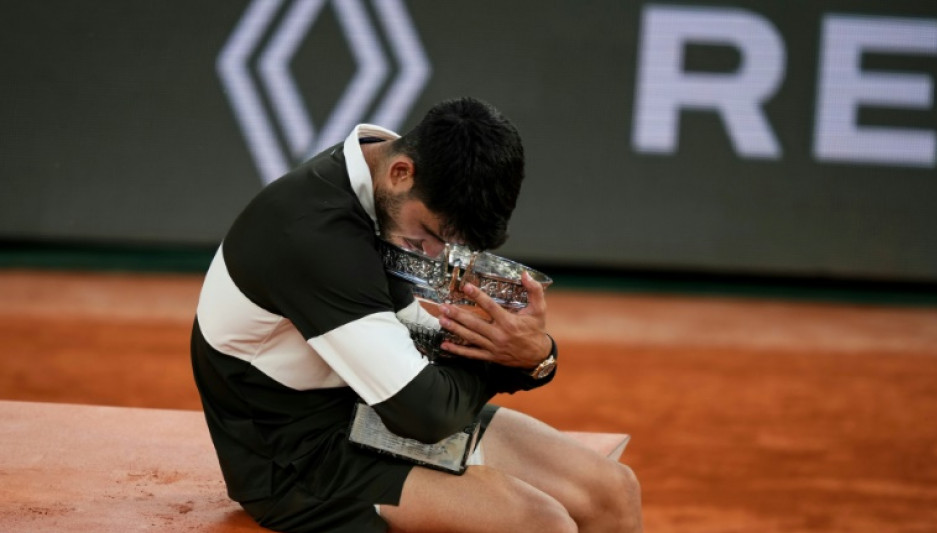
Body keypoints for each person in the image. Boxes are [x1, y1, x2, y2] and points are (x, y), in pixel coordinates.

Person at [191, 97, 642, 532]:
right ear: (401, 172)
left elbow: (422, 346)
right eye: (431, 235)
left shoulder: (382, 197)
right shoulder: (314, 237)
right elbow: (425, 416)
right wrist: (501, 362)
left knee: (612, 491)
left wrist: (532, 354)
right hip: (297, 458)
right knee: (542, 524)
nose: (436, 255)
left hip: (368, 407)